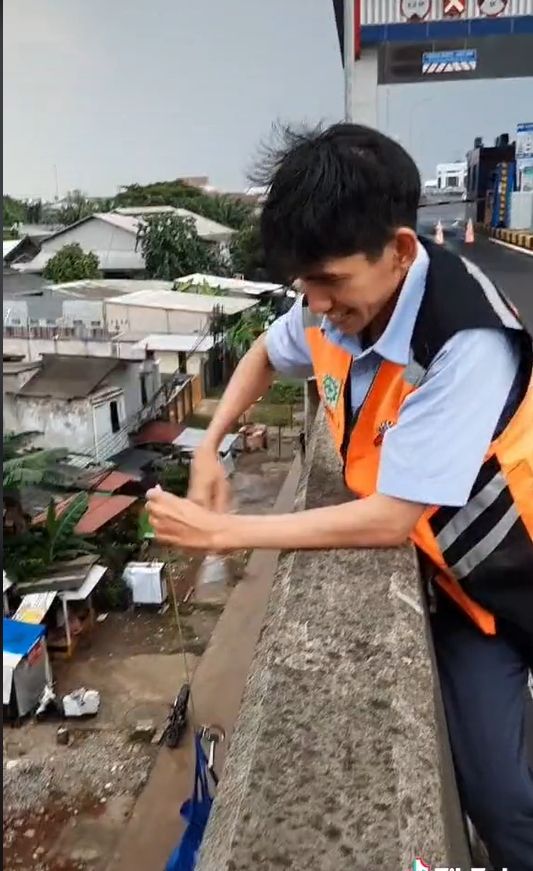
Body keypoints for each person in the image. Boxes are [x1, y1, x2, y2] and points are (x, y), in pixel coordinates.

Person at [147, 124, 533, 869]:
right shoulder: (334, 306)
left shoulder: (461, 339)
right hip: (462, 588)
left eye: (329, 282)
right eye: (303, 286)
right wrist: (211, 445)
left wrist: (226, 534)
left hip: (519, 568)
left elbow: (390, 519)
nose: (317, 306)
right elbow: (265, 351)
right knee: (499, 796)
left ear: (396, 249)